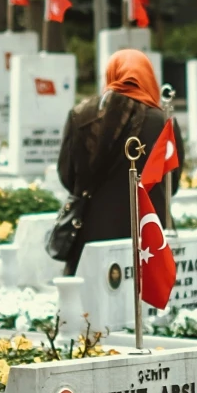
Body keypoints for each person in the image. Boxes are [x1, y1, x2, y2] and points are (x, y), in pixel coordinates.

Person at [56, 51, 173, 274]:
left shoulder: (80, 116)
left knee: (91, 305)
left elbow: (67, 176)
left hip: (91, 236)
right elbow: (171, 183)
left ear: (110, 75)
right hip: (148, 236)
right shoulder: (163, 122)